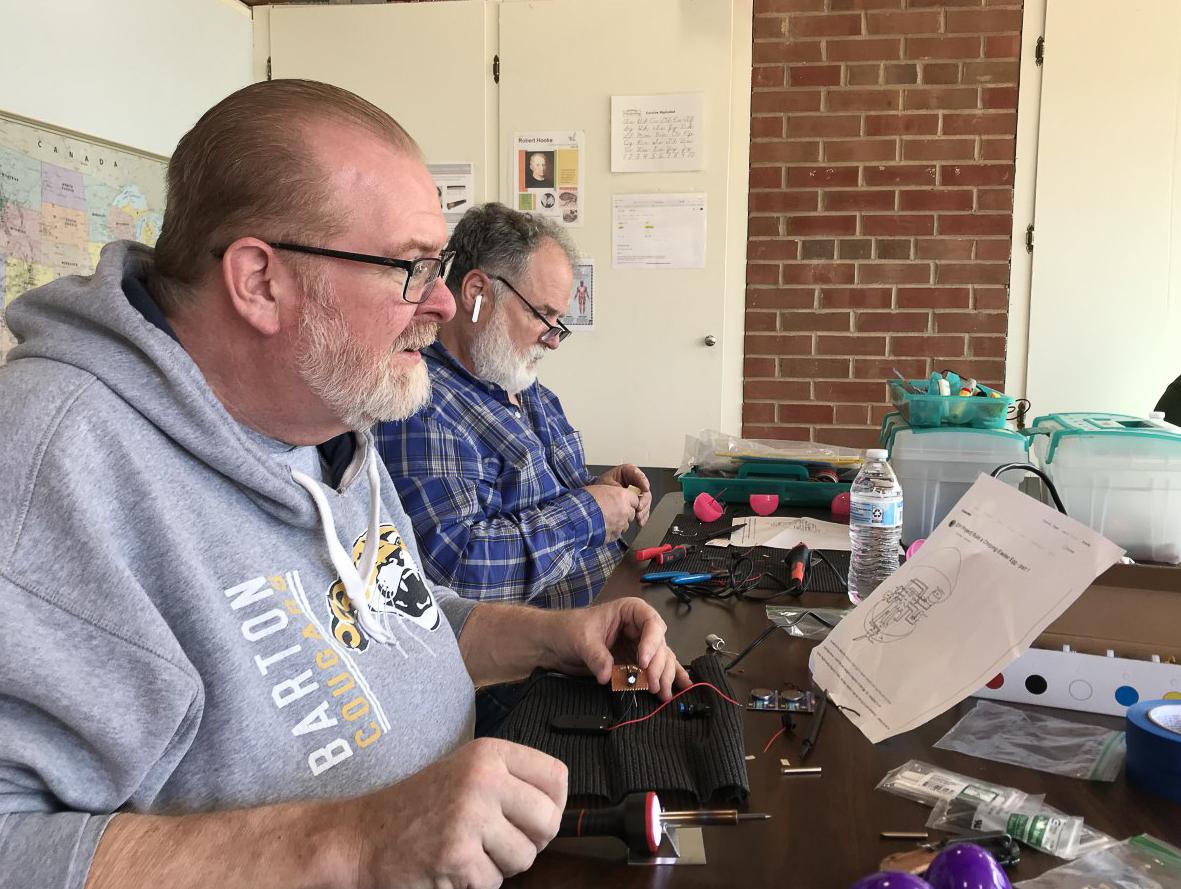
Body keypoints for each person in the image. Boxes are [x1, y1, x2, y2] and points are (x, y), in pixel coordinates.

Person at [0, 80, 687, 889]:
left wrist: (549, 635)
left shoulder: (326, 418)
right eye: (409, 268)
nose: (439, 301)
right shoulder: (51, 460)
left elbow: (398, 620)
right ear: (259, 281)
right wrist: (354, 842)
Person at [375, 203, 651, 608]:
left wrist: (601, 492)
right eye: (543, 314)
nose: (553, 339)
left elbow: (543, 501)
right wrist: (589, 512)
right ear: (476, 292)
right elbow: (456, 575)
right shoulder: (420, 404)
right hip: (552, 657)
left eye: (558, 322)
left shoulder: (523, 385)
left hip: (619, 601)